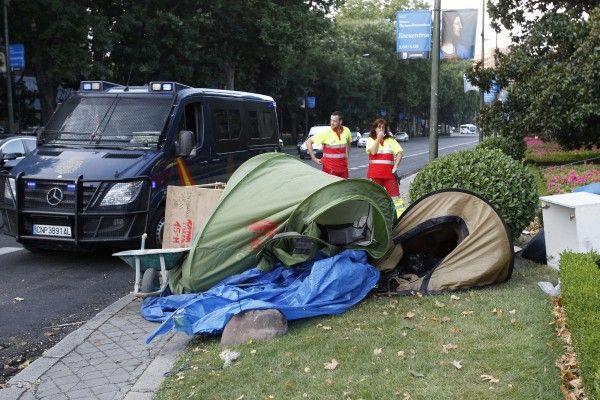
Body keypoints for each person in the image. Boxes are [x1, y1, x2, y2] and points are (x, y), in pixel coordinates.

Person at [365, 118, 405, 216]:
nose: (381, 129)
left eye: (383, 127)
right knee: (375, 199)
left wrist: (395, 167)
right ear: (375, 129)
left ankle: (401, 218)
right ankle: (377, 218)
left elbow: (400, 153)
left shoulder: (390, 140)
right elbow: (373, 152)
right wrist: (378, 138)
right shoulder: (370, 140)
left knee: (396, 199)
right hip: (375, 175)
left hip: (389, 175)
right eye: (379, 127)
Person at [306, 111, 352, 178]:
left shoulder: (347, 130)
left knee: (344, 188)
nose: (332, 123)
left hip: (343, 169)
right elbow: (308, 142)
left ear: (340, 122)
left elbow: (348, 143)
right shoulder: (326, 133)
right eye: (331, 120)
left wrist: (346, 155)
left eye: (335, 121)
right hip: (329, 170)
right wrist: (314, 158)